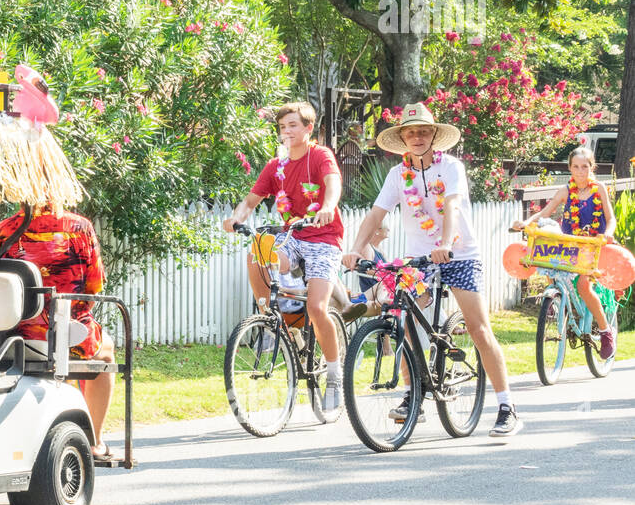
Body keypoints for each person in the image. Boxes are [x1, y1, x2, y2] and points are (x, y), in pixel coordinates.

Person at [344, 103, 522, 437]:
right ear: (402, 138)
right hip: (417, 259)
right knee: (406, 317)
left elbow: (451, 205)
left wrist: (444, 243)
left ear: (434, 135)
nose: (417, 137)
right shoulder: (398, 175)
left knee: (479, 328)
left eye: (423, 131)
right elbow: (376, 213)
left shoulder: (450, 167)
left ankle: (506, 406)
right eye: (410, 132)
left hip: (459, 253)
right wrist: (355, 248)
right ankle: (414, 395)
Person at [223, 102, 346, 414]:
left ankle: (334, 374)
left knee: (317, 308)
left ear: (308, 129)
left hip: (323, 237)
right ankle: (269, 317)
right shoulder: (275, 165)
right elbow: (251, 200)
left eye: (293, 125)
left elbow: (332, 183)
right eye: (282, 127)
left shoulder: (320, 156)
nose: (286, 132)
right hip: (291, 236)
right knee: (258, 248)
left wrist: (327, 205)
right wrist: (235, 217)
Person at [0, 204, 117, 460]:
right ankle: (97, 440)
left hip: (13, 335)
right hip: (64, 334)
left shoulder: (5, 229)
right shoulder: (79, 226)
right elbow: (94, 285)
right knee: (108, 350)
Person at [513, 146, 618, 360]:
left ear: (592, 167)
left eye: (585, 166)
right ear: (570, 168)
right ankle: (559, 305)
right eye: (576, 167)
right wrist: (525, 222)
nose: (581, 171)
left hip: (592, 246)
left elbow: (611, 218)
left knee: (583, 286)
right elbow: (544, 213)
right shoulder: (565, 191)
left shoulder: (599, 188)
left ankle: (606, 331)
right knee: (553, 267)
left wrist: (607, 233)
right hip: (570, 245)